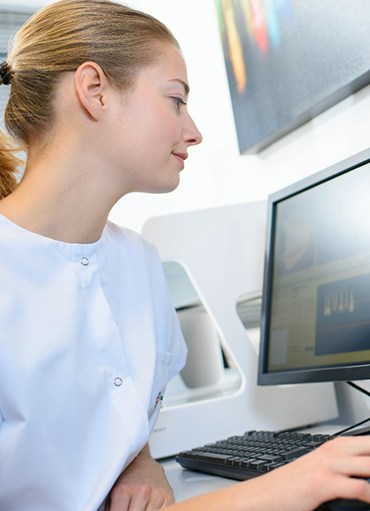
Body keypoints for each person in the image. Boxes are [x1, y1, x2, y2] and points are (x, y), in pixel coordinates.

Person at [0, 1, 370, 510]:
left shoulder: (140, 264)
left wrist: (138, 460)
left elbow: (112, 413)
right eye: (176, 100)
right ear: (94, 91)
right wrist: (290, 485)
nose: (193, 131)